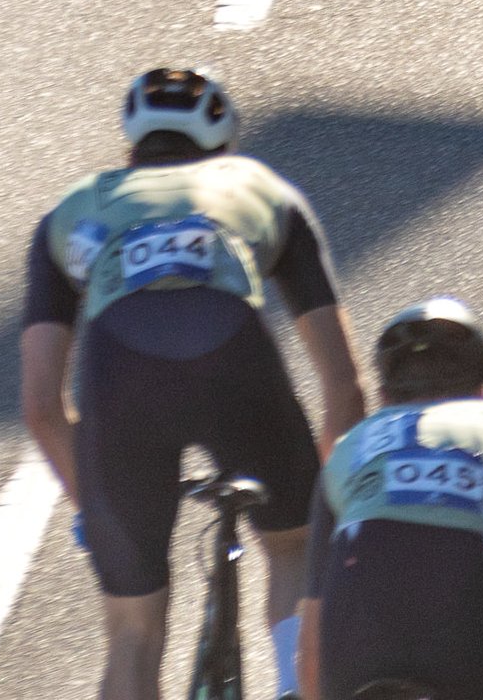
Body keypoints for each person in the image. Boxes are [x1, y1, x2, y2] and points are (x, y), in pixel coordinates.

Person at [21, 67, 367, 700]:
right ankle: (295, 683)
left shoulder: (70, 212)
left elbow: (42, 407)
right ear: (224, 145)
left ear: (130, 147)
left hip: (120, 376)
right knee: (293, 547)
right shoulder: (258, 187)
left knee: (132, 629)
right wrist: (322, 498)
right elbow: (343, 383)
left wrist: (95, 505)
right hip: (234, 360)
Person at [298, 298, 483, 700]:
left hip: (354, 653)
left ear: (384, 397)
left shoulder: (351, 448)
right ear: (481, 391)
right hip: (467, 651)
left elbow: (312, 639)